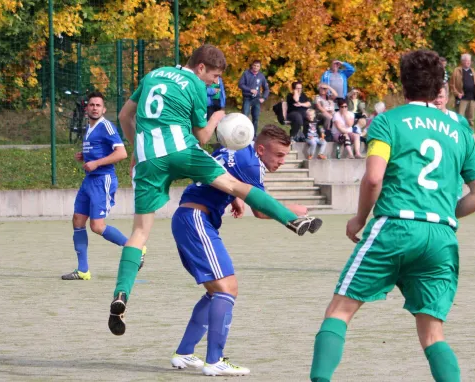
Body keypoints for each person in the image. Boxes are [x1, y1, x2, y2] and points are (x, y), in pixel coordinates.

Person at [109, 45, 322, 337]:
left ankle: (122, 294)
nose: (214, 82)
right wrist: (217, 117)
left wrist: (137, 148)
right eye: (214, 75)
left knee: (139, 233)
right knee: (235, 185)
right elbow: (202, 136)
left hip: (148, 159)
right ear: (200, 68)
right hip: (182, 149)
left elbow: (124, 116)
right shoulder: (195, 84)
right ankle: (290, 219)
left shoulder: (152, 75)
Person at [309, 49, 475, 382]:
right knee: (433, 333)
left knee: (339, 312)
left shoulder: (389, 121)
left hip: (395, 228)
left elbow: (374, 177)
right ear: (440, 85)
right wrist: (440, 214)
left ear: (403, 83)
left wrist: (359, 219)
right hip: (441, 237)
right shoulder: (459, 127)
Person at [170, 125, 310, 376]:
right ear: (261, 149)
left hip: (188, 217)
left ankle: (185, 353)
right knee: (227, 289)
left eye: (285, 156)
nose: (281, 161)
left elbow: (219, 171)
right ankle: (215, 361)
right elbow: (260, 209)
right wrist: (292, 211)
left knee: (216, 291)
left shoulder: (235, 148)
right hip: (196, 220)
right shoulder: (253, 165)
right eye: (278, 155)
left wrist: (233, 197)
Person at [62, 91, 130, 281]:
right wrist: (85, 157)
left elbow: (122, 153)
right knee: (77, 220)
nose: (94, 108)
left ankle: (134, 248)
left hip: (103, 179)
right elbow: (100, 151)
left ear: (103, 109)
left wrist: (96, 163)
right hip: (89, 180)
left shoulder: (106, 126)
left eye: (98, 105)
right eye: (91, 105)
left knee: (97, 226)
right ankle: (83, 270)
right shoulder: (89, 128)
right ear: (87, 108)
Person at [238, 60, 270, 135]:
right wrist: (250, 90)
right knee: (245, 117)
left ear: (260, 67)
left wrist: (264, 98)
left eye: (257, 66)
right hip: (247, 98)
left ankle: (253, 135)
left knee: (255, 118)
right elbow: (240, 84)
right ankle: (243, 134)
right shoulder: (246, 73)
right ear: (252, 66)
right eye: (254, 65)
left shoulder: (261, 76)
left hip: (256, 99)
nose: (256, 67)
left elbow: (266, 89)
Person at [450, 53, 475, 130]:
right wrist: (457, 93)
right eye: (466, 61)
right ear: (462, 61)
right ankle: (460, 134)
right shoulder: (457, 71)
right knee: (460, 117)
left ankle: (471, 135)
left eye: (469, 61)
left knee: (471, 118)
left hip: (472, 97)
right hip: (462, 98)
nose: (468, 62)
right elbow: (452, 85)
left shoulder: (472, 71)